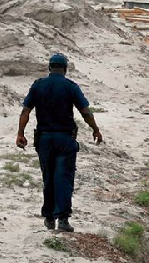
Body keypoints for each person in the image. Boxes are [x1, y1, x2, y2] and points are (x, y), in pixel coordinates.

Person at [16, 53, 103, 232]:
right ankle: (62, 219)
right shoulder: (70, 86)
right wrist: (95, 129)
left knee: (48, 177)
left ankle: (49, 217)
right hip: (65, 139)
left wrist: (20, 133)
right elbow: (85, 112)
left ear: (49, 68)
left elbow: (26, 111)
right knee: (63, 177)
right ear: (65, 69)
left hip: (44, 139)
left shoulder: (38, 85)